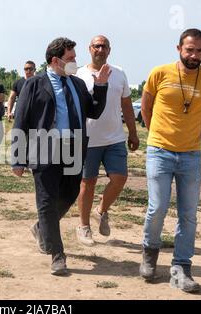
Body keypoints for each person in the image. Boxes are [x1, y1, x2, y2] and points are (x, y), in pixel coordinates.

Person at [11, 37, 110, 276]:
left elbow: (94, 111)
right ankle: (58, 255)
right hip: (44, 149)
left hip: (73, 149)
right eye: (70, 58)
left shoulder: (76, 84)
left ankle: (42, 227)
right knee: (46, 201)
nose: (75, 62)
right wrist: (18, 158)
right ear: (55, 60)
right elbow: (21, 120)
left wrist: (101, 86)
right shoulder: (34, 84)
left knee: (69, 194)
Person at [139, 29, 201, 293]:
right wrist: (156, 136)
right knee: (158, 207)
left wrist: (193, 135)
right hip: (159, 151)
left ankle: (181, 267)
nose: (194, 55)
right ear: (179, 49)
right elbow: (146, 106)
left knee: (188, 214)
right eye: (189, 50)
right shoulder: (160, 73)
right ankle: (150, 253)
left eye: (199, 51)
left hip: (190, 154)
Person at [76, 35, 139, 246]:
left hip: (115, 138)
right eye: (96, 46)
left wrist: (133, 131)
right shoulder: (79, 74)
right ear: (90, 49)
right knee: (88, 183)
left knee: (120, 178)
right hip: (88, 138)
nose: (100, 49)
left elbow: (127, 106)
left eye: (104, 46)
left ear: (109, 50)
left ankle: (100, 210)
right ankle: (84, 227)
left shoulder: (119, 73)